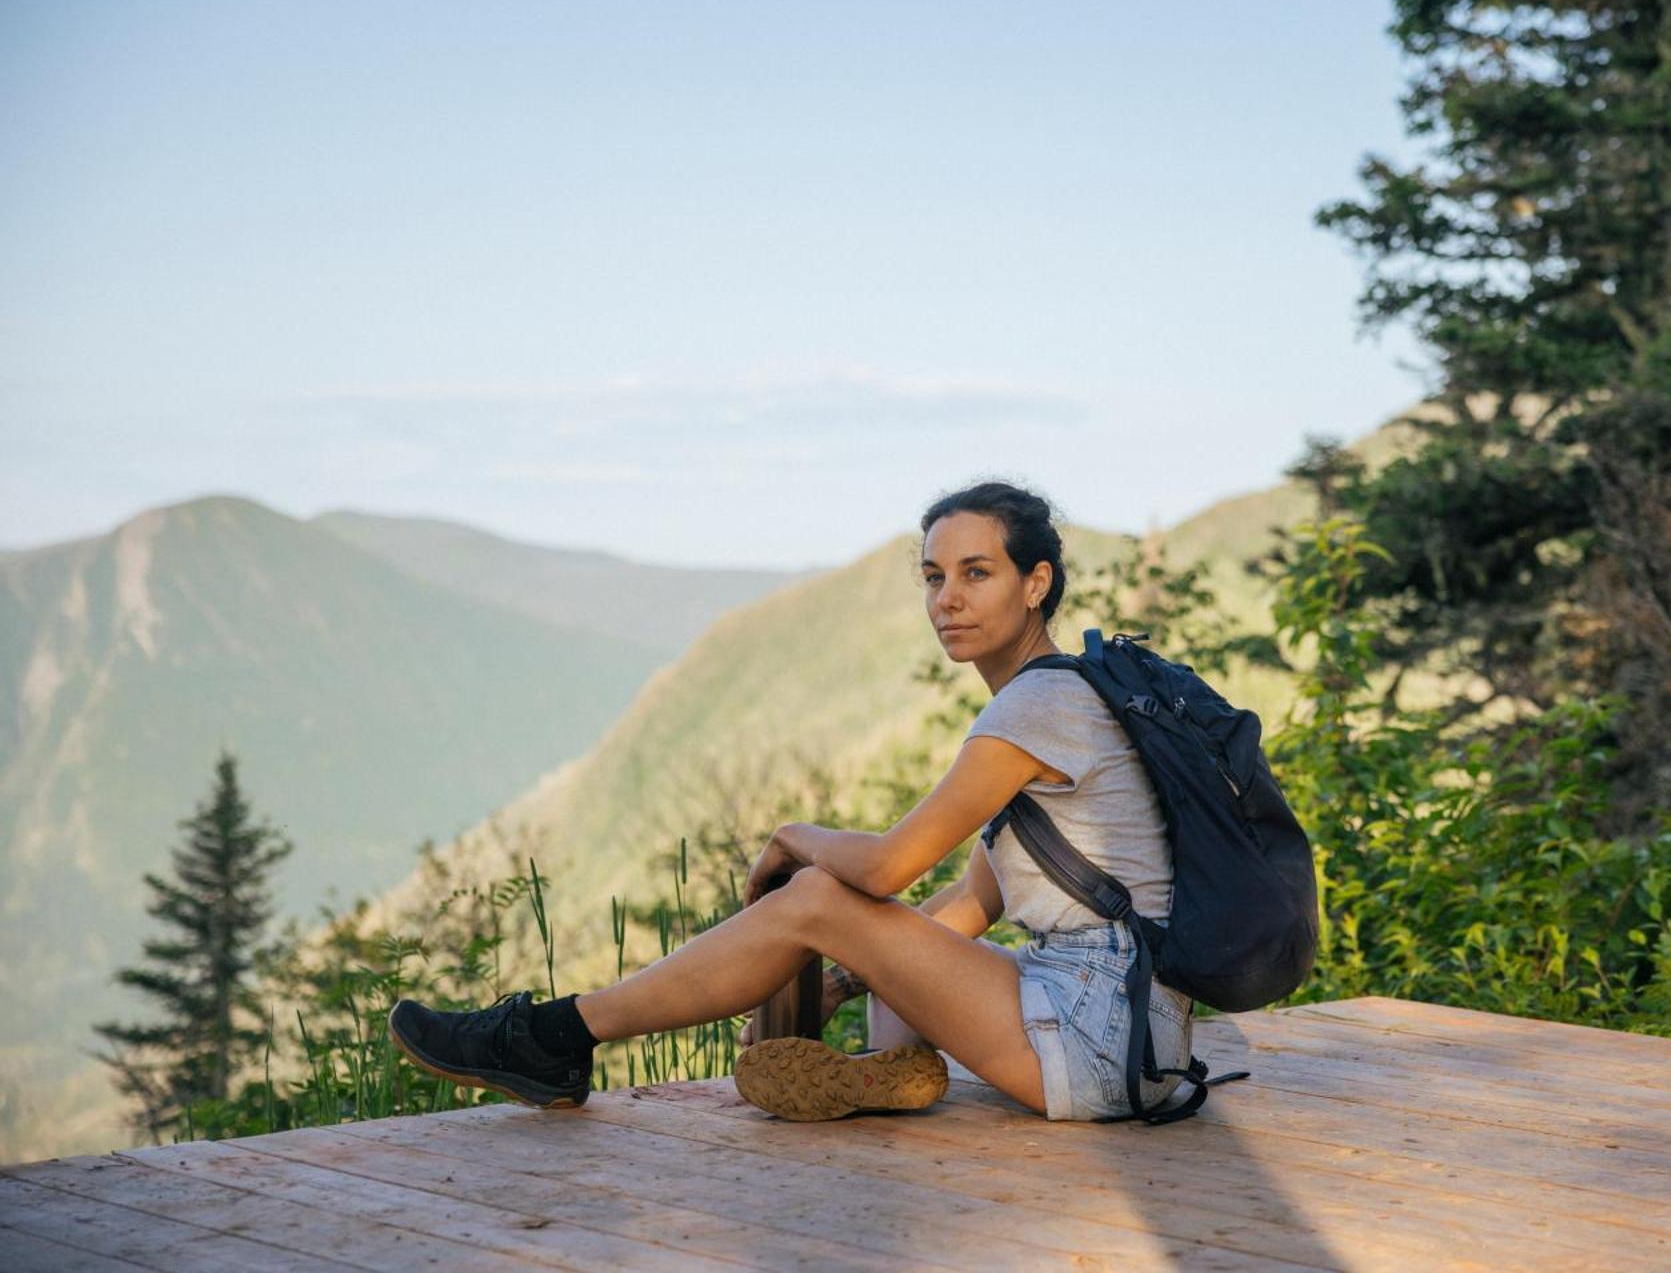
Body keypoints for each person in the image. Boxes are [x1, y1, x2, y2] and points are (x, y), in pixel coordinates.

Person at [388, 479, 1193, 1122]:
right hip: (1132, 1034)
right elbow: (968, 905)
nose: (946, 597)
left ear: (1036, 582)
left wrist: (792, 837)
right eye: (933, 575)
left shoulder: (1037, 708)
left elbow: (883, 869)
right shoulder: (1058, 697)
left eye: (976, 573)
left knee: (817, 890)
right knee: (850, 923)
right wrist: (852, 976)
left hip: (1101, 1033)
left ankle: (553, 1035)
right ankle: (885, 1073)